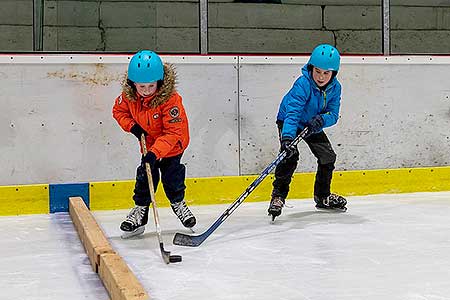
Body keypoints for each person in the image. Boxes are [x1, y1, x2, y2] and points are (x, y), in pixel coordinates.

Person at [113, 50, 196, 238]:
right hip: (148, 145)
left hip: (172, 146)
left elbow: (174, 132)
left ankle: (178, 203)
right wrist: (133, 127)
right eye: (141, 86)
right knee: (145, 177)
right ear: (132, 83)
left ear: (160, 82)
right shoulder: (129, 97)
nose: (146, 91)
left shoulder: (170, 100)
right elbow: (119, 112)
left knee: (171, 177)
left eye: (151, 86)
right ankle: (139, 213)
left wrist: (155, 153)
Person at [268, 44, 347, 220]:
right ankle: (278, 196)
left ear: (333, 73)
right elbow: (293, 113)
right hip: (291, 121)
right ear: (311, 67)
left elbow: (333, 115)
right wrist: (287, 138)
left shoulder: (336, 88)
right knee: (289, 156)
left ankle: (322, 197)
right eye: (317, 71)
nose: (321, 76)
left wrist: (322, 120)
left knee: (328, 157)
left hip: (313, 124)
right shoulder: (302, 84)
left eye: (326, 73)